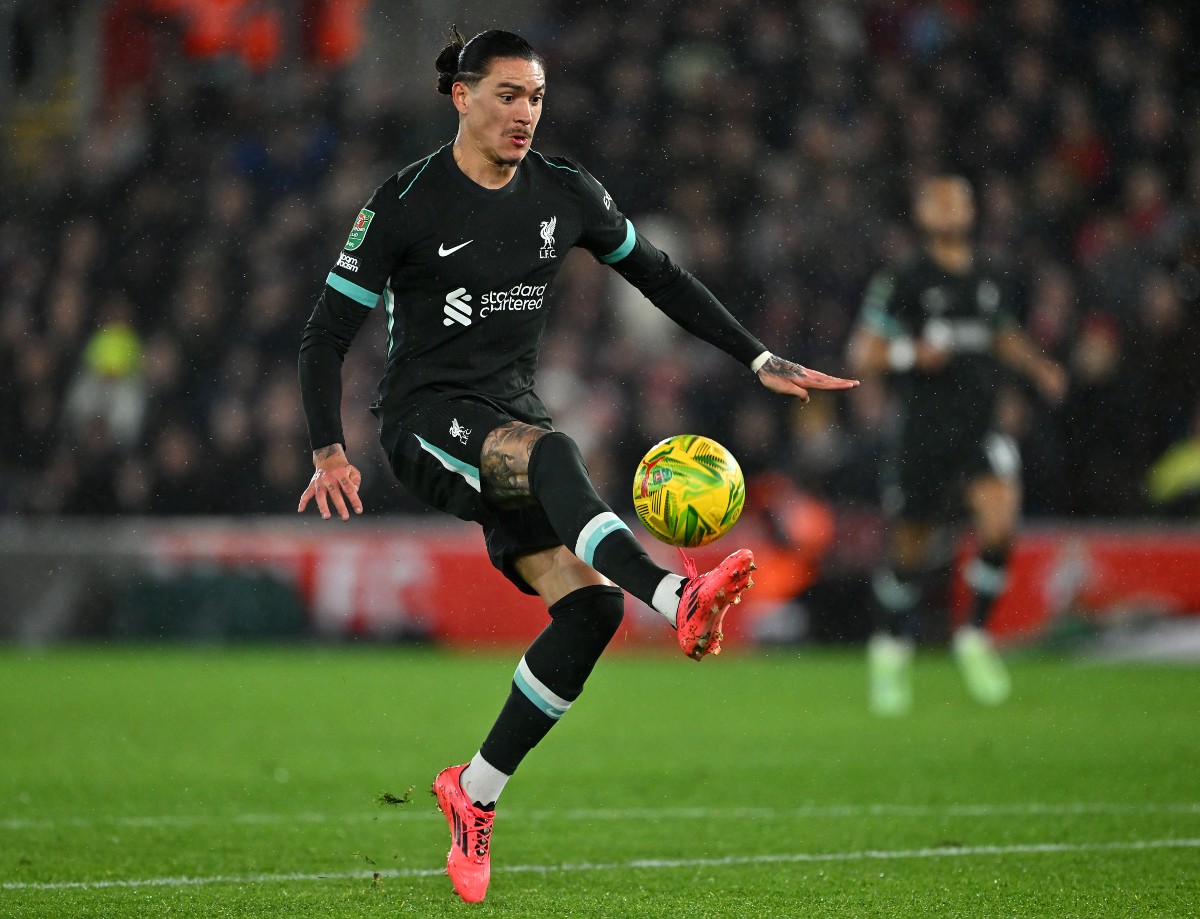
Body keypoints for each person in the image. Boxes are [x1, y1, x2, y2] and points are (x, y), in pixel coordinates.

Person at [296, 28, 858, 903]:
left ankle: (474, 790)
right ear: (462, 97)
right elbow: (326, 334)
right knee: (555, 452)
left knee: (591, 609)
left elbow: (660, 275)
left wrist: (756, 356)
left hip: (511, 420)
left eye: (537, 97)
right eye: (509, 95)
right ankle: (676, 595)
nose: (526, 113)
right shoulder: (404, 201)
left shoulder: (565, 192)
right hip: (425, 421)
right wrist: (329, 447)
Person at [847, 174, 1065, 717]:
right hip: (922, 432)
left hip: (979, 428)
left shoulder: (990, 274)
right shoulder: (903, 280)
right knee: (910, 549)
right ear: (921, 213)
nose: (949, 209)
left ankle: (974, 636)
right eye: (938, 201)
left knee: (1000, 521)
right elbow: (863, 352)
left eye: (958, 200)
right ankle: (890, 650)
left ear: (971, 210)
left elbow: (1003, 335)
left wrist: (1038, 367)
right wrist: (909, 354)